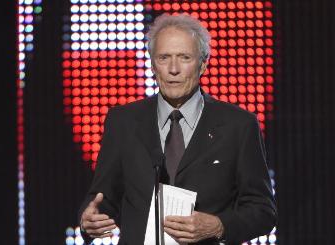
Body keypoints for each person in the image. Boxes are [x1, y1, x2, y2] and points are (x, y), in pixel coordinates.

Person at [79, 13, 277, 245]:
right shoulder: (122, 121)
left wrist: (219, 226)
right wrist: (90, 220)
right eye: (164, 57)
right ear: (153, 64)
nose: (173, 69)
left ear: (203, 64)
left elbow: (263, 211)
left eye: (184, 57)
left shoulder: (239, 125)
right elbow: (102, 196)